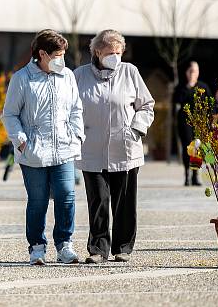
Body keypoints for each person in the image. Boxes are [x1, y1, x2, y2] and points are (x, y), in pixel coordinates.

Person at [1, 29, 84, 265]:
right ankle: (37, 247)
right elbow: (10, 114)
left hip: (65, 148)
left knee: (67, 195)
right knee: (37, 201)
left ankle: (64, 245)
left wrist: (77, 135)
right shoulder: (22, 78)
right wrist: (20, 140)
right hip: (34, 152)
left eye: (63, 54)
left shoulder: (67, 76)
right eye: (57, 54)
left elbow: (76, 109)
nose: (62, 59)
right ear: (42, 54)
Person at [75, 29, 154, 264]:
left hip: (126, 148)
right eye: (111, 52)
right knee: (98, 199)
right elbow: (71, 108)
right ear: (98, 51)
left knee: (125, 201)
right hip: (92, 149)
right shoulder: (79, 75)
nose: (116, 57)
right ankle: (98, 249)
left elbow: (146, 105)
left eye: (119, 52)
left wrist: (136, 130)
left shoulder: (130, 73)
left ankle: (123, 247)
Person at [173, 61, 209, 186]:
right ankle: (187, 175)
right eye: (191, 71)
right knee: (187, 148)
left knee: (197, 150)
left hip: (199, 124)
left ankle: (195, 176)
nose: (194, 73)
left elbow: (210, 105)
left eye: (196, 71)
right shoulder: (181, 87)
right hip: (185, 123)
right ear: (187, 72)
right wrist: (188, 86)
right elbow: (177, 101)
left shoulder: (203, 87)